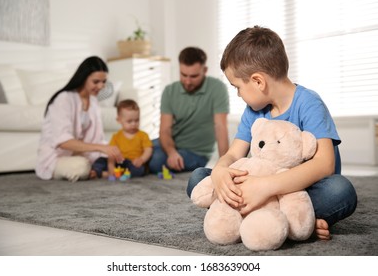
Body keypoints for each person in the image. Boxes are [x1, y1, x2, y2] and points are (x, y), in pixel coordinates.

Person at [186, 26, 357, 240]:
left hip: (297, 192)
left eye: (237, 87)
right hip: (256, 186)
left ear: (258, 81)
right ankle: (292, 225)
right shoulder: (254, 111)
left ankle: (277, 219)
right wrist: (220, 171)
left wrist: (264, 188)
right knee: (199, 178)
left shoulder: (309, 103)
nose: (238, 94)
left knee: (340, 191)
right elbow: (233, 154)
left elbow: (325, 164)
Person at [35, 56, 122, 182]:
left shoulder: (93, 102)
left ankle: (96, 169)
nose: (101, 86)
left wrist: (109, 149)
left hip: (80, 153)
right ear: (84, 78)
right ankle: (95, 170)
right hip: (58, 157)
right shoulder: (64, 99)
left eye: (104, 82)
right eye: (96, 82)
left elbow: (97, 139)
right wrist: (100, 148)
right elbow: (63, 142)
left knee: (116, 155)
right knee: (81, 167)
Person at [148, 47, 230, 174]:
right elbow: (164, 130)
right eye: (183, 75)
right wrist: (171, 152)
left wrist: (225, 165)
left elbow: (221, 127)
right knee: (138, 148)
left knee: (155, 160)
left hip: (197, 152)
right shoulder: (169, 91)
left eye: (193, 76)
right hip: (172, 144)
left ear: (205, 70)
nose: (187, 81)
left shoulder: (218, 88)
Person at [91, 99, 153, 180]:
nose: (134, 124)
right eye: (129, 121)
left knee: (140, 170)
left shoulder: (143, 135)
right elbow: (111, 154)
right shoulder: (116, 136)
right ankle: (98, 172)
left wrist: (142, 159)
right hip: (119, 161)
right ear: (119, 120)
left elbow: (148, 149)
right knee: (100, 161)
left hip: (133, 163)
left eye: (137, 120)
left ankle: (112, 174)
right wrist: (111, 166)